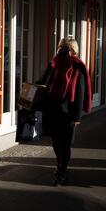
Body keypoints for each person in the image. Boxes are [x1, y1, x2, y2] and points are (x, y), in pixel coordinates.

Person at [38, 38, 93, 186]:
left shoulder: (78, 67)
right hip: (52, 110)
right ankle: (60, 165)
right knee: (56, 142)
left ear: (73, 51)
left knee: (66, 144)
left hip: (68, 113)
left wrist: (76, 118)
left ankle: (62, 171)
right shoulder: (54, 64)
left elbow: (80, 93)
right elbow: (43, 81)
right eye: (61, 47)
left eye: (66, 47)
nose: (62, 49)